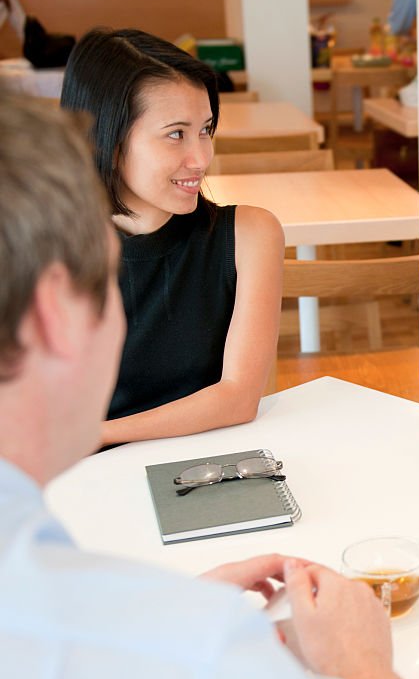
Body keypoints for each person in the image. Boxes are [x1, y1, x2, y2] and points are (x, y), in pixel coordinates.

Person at [0, 92, 419, 679]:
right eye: (109, 286)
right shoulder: (189, 654)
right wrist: (363, 671)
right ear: (56, 315)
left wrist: (155, 617)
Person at [60, 28, 284, 447]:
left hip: (209, 471)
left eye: (206, 129)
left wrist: (94, 435)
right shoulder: (44, 252)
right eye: (176, 134)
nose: (200, 159)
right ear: (107, 140)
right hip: (80, 483)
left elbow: (237, 398)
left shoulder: (250, 236)